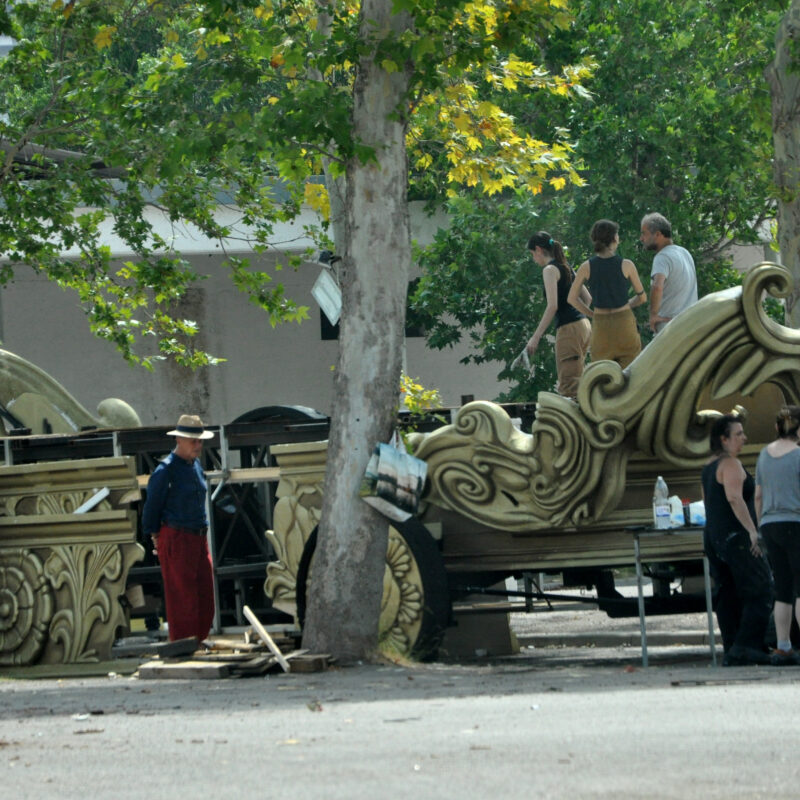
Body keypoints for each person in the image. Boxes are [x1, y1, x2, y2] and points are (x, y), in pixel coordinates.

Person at [701, 414, 774, 666]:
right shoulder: (731, 465)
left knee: (728, 592)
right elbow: (735, 498)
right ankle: (747, 645)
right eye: (738, 434)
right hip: (736, 537)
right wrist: (753, 531)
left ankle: (732, 646)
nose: (744, 438)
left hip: (715, 538)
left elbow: (709, 502)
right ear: (724, 439)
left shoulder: (709, 467)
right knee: (761, 588)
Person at [142, 413, 215, 643]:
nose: (198, 445)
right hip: (177, 537)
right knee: (182, 599)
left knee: (205, 595)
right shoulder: (165, 471)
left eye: (200, 440)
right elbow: (151, 509)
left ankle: (198, 642)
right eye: (193, 440)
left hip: (198, 538)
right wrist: (156, 537)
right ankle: (184, 647)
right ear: (179, 440)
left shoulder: (195, 466)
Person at [567, 219, 646, 369]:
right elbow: (642, 297)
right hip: (624, 324)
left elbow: (572, 298)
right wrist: (628, 304)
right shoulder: (627, 265)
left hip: (601, 324)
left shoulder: (586, 267)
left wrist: (591, 313)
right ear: (615, 238)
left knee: (601, 374)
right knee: (632, 372)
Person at [755, 405, 800, 666]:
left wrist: (760, 526)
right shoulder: (798, 456)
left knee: (782, 589)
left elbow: (758, 495)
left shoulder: (764, 455)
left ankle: (783, 647)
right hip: (796, 522)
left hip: (770, 525)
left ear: (776, 427)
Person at [523, 231, 592, 399]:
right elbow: (588, 298)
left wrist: (536, 337)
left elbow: (552, 306)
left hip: (568, 329)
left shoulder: (549, 270)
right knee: (579, 381)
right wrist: (578, 316)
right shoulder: (567, 267)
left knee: (569, 386)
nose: (534, 259)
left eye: (533, 254)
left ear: (539, 250)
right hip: (584, 327)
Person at [639, 212, 698, 334]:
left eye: (644, 233)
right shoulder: (684, 253)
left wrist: (653, 315)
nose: (641, 239)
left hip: (670, 329)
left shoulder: (662, 257)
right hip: (690, 324)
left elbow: (657, 286)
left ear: (658, 234)